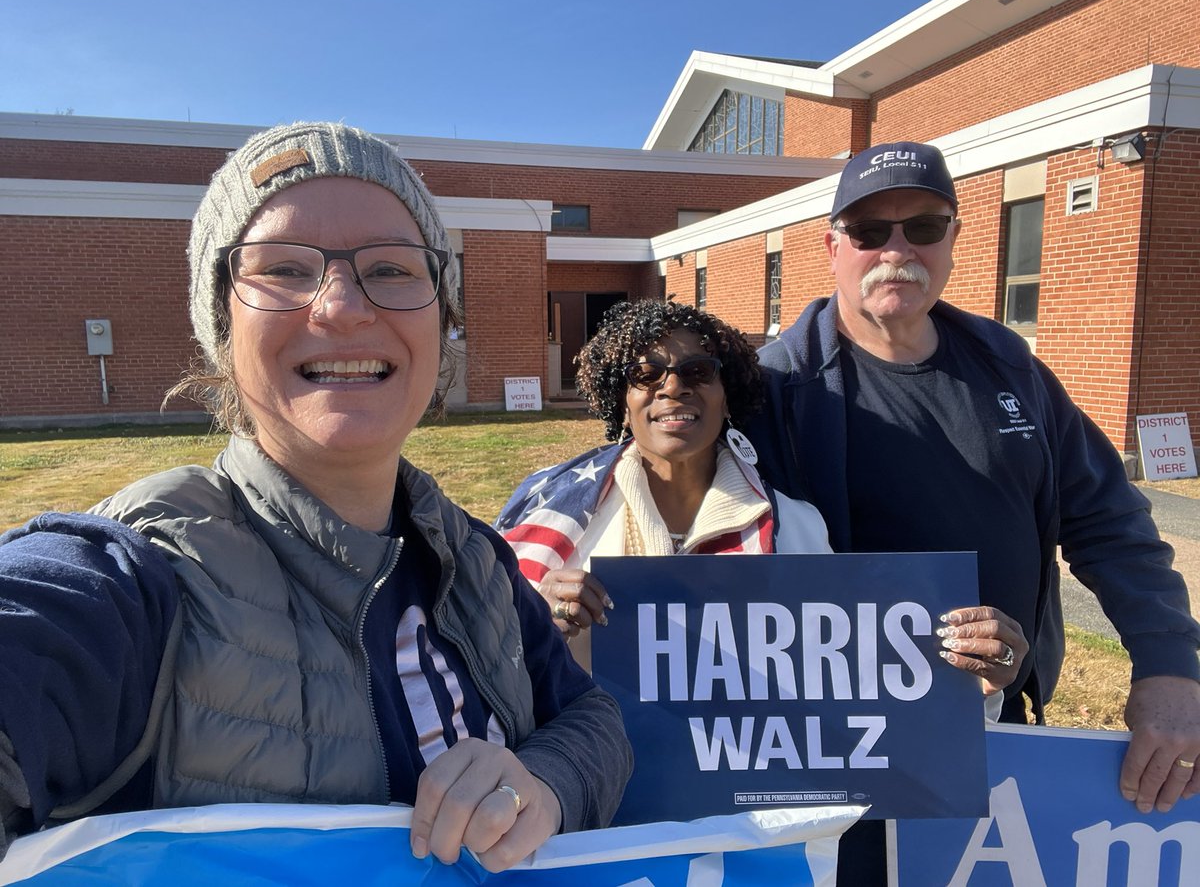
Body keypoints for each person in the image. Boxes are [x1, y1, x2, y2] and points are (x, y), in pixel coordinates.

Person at [0, 122, 631, 871]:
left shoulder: (476, 560)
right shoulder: (140, 576)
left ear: (442, 320)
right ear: (222, 331)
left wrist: (547, 783)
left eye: (393, 270)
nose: (340, 307)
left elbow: (593, 717)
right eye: (283, 269)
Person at [747, 139, 1200, 881]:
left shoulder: (1010, 369)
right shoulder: (773, 388)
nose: (896, 249)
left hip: (986, 730)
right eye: (868, 232)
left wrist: (1169, 666)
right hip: (822, 755)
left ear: (954, 241)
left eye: (922, 227)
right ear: (832, 247)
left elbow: (1110, 523)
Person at [495, 299, 1027, 712]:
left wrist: (972, 680)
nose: (673, 387)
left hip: (744, 830)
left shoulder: (795, 528)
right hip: (600, 821)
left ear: (728, 393)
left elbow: (848, 689)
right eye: (646, 374)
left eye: (698, 371)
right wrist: (538, 625)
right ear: (622, 399)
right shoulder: (556, 522)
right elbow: (481, 673)